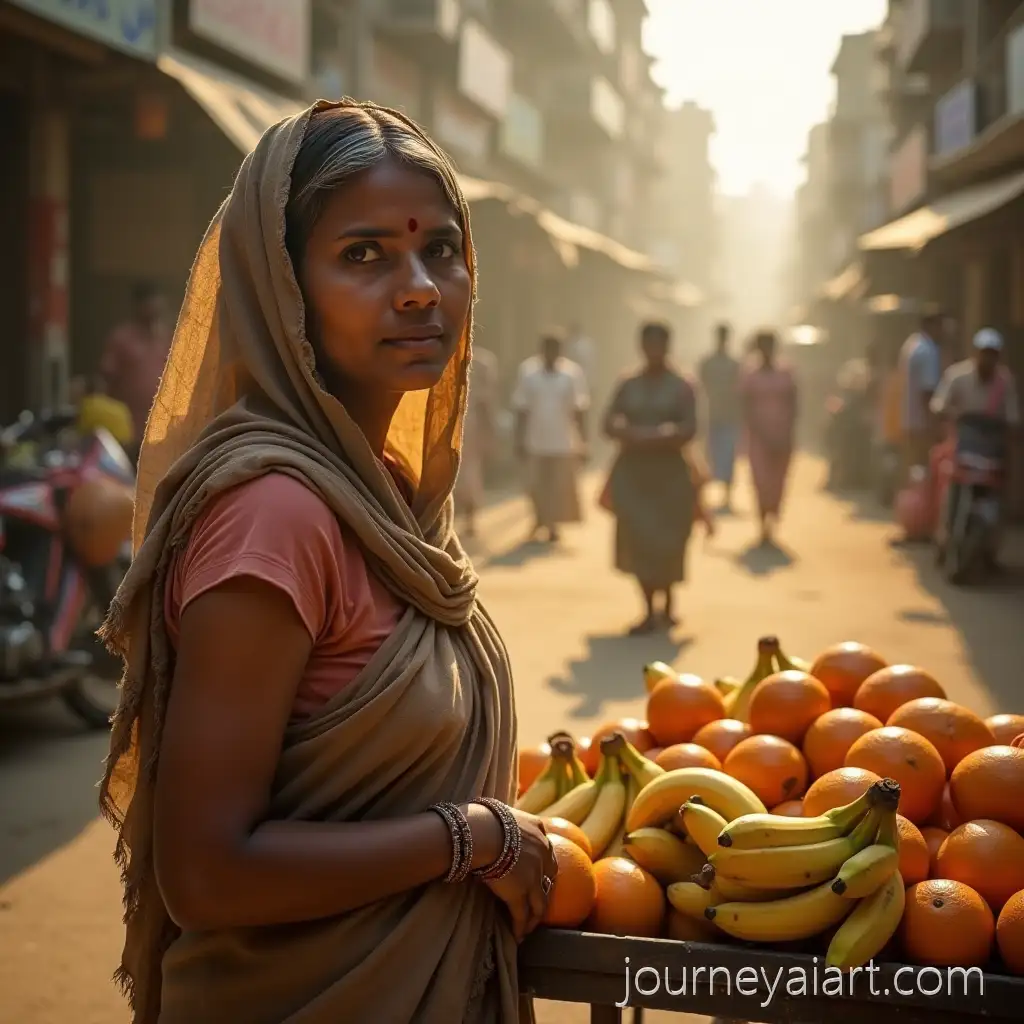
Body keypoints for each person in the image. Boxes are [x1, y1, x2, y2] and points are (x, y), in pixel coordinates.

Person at [95, 101, 557, 1024]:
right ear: (283, 289)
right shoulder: (277, 516)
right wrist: (471, 839)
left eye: (442, 251)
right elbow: (207, 874)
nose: (422, 287)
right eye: (364, 254)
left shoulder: (388, 494)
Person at [602, 321, 699, 634]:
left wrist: (661, 436)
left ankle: (668, 602)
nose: (653, 351)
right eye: (648, 345)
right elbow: (608, 422)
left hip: (671, 476)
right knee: (637, 538)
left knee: (670, 540)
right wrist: (627, 431)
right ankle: (647, 609)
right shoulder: (628, 384)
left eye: (659, 345)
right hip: (633, 476)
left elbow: (690, 428)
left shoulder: (683, 385)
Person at [931, 327, 1020, 561]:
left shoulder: (1004, 383)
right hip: (963, 449)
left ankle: (991, 549)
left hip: (991, 454)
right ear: (975, 353)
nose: (987, 358)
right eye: (984, 352)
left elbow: (1013, 418)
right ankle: (944, 539)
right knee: (948, 491)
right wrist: (951, 414)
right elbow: (939, 404)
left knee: (999, 497)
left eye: (992, 353)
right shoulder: (957, 376)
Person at [511, 332, 589, 543]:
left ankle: (552, 524)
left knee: (557, 487)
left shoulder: (571, 374)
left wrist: (583, 441)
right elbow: (521, 407)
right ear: (541, 350)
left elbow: (579, 409)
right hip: (535, 439)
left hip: (563, 440)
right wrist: (518, 438)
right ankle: (539, 519)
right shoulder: (528, 372)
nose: (551, 355)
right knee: (535, 485)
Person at [98, 281, 172, 462]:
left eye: (155, 301)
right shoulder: (122, 339)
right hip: (128, 432)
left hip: (162, 431)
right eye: (147, 302)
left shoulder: (169, 338)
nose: (152, 307)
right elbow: (106, 381)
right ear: (138, 306)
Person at [740, 329, 798, 546]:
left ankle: (772, 523)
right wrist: (760, 433)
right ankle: (763, 524)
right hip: (758, 439)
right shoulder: (750, 375)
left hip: (782, 437)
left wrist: (787, 433)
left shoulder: (786, 373)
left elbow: (794, 404)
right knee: (761, 482)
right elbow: (745, 407)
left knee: (778, 482)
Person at [897, 310, 947, 479]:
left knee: (912, 468)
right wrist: (933, 424)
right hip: (922, 423)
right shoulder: (928, 350)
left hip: (909, 418)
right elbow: (927, 391)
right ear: (932, 325)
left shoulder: (911, 344)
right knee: (924, 468)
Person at [455, 344, 499, 538]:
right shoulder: (447, 356)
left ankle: (469, 518)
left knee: (469, 472)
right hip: (448, 423)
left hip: (469, 425)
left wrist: (489, 430)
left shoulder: (483, 362)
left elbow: (486, 401)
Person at [698, 322, 741, 510]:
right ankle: (705, 497)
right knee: (709, 457)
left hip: (730, 417)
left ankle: (727, 498)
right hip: (711, 416)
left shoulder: (735, 364)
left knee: (729, 457)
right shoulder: (707, 363)